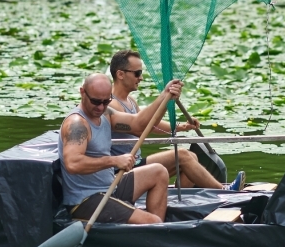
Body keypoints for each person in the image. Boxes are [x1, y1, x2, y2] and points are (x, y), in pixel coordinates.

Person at [109, 50, 246, 191]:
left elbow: (151, 126)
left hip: (136, 162)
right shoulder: (111, 105)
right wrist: (164, 97)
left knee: (192, 156)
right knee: (183, 155)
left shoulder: (130, 101)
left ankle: (178, 194)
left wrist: (182, 126)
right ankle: (225, 191)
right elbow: (138, 127)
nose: (141, 78)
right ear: (120, 74)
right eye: (137, 73)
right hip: (121, 171)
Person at [58, 73, 183, 224]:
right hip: (86, 200)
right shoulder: (77, 124)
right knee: (153, 221)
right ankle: (154, 228)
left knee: (159, 172)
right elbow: (73, 163)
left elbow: (139, 124)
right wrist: (114, 161)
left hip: (111, 187)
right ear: (82, 92)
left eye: (106, 101)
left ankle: (154, 233)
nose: (100, 107)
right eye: (96, 101)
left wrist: (164, 97)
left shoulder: (106, 113)